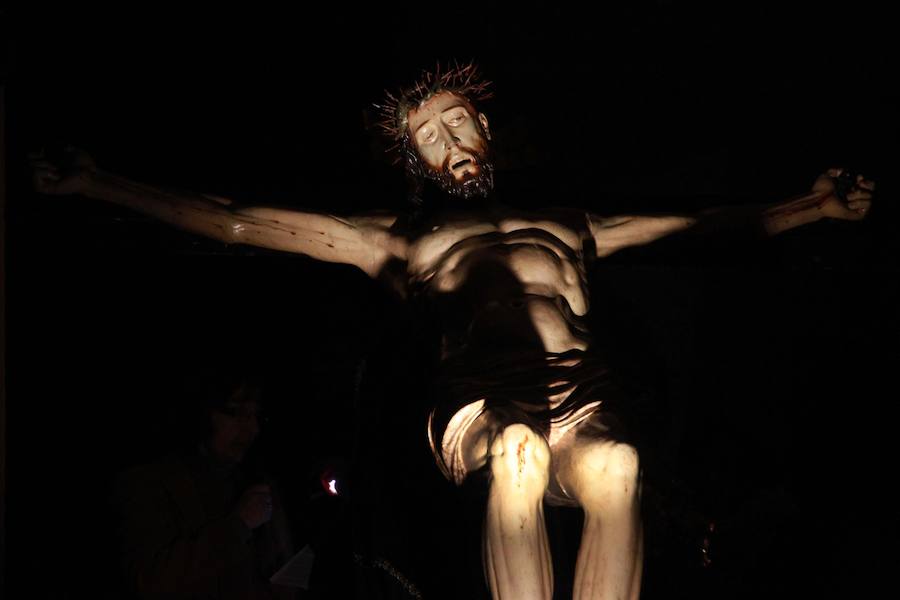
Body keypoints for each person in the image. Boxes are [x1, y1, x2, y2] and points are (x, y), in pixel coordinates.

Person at [32, 63, 874, 600]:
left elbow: (704, 228)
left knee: (617, 466)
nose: (451, 142)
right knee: (518, 450)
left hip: (584, 394)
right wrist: (102, 185)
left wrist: (816, 206)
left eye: (457, 122)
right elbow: (237, 222)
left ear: (482, 128)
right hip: (483, 396)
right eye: (430, 138)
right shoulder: (398, 239)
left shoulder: (570, 221)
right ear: (419, 163)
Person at [109, 370, 297, 599]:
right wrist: (238, 525)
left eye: (255, 415)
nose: (252, 428)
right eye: (235, 412)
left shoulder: (258, 482)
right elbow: (151, 582)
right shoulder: (149, 484)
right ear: (201, 411)